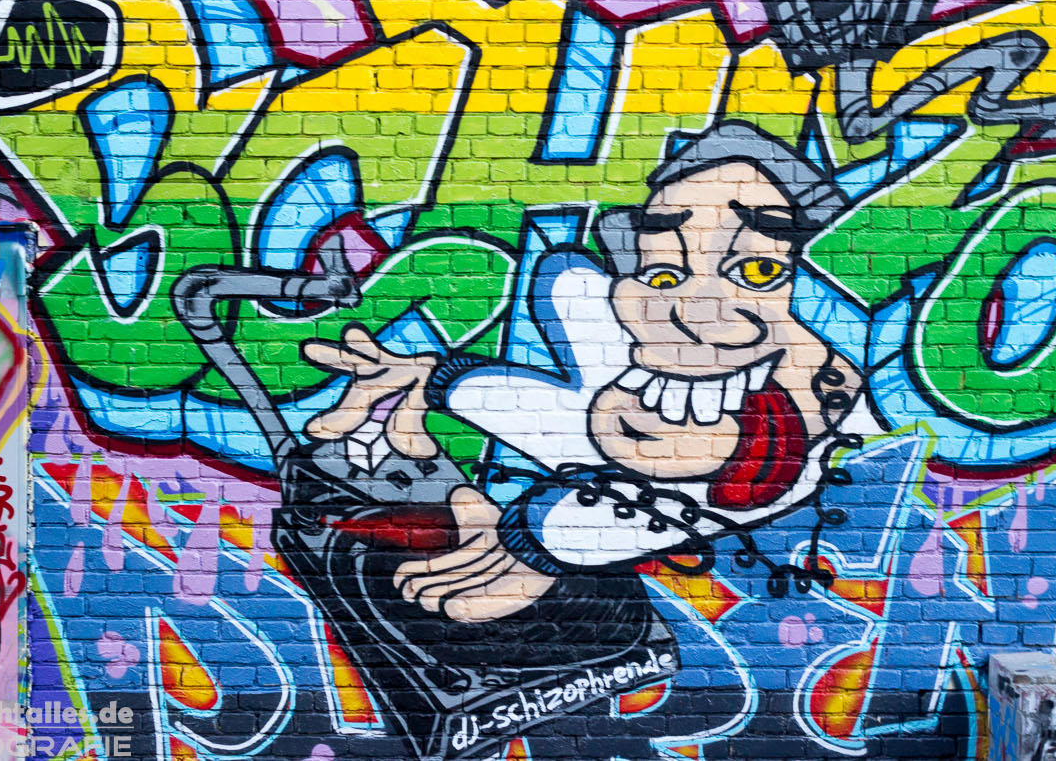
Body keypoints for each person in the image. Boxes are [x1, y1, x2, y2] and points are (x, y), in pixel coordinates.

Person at [301, 120, 871, 625]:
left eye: (759, 270)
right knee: (570, 285)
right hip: (664, 451)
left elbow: (740, 472)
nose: (690, 315)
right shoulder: (654, 373)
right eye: (663, 274)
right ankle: (416, 379)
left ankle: (427, 390)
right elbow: (636, 438)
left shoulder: (837, 399)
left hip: (731, 470)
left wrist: (534, 544)